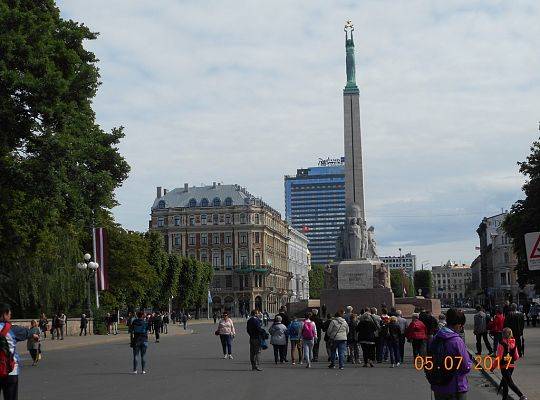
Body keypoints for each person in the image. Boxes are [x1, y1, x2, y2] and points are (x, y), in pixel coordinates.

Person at [429, 308, 472, 399]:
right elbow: (465, 366)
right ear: (457, 325)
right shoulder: (456, 341)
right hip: (455, 386)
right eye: (461, 326)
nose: (461, 329)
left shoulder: (435, 338)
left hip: (438, 385)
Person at [0, 303, 40, 399]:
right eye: (9, 313)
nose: (10, 315)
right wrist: (34, 335)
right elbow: (27, 332)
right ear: (4, 314)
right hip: (10, 370)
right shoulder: (11, 329)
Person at [491, 327, 528, 400]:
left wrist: (492, 367)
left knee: (510, 383)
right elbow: (516, 357)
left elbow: (499, 357)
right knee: (505, 383)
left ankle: (521, 396)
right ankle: (504, 398)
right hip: (511, 366)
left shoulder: (501, 344)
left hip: (504, 366)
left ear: (503, 334)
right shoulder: (513, 343)